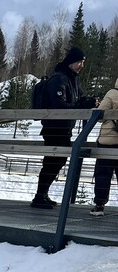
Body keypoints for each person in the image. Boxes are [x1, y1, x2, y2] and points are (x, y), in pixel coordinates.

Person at [31, 46, 99, 209]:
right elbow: (59, 107)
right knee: (52, 162)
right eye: (79, 62)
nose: (81, 65)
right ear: (70, 62)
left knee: (56, 161)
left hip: (64, 128)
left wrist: (88, 102)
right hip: (54, 128)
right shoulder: (59, 80)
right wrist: (82, 106)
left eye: (83, 62)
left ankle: (42, 195)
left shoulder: (74, 79)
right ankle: (39, 196)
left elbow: (78, 100)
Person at [89, 78, 118, 217]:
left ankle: (99, 205)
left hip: (108, 141)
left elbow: (100, 116)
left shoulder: (112, 93)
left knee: (103, 174)